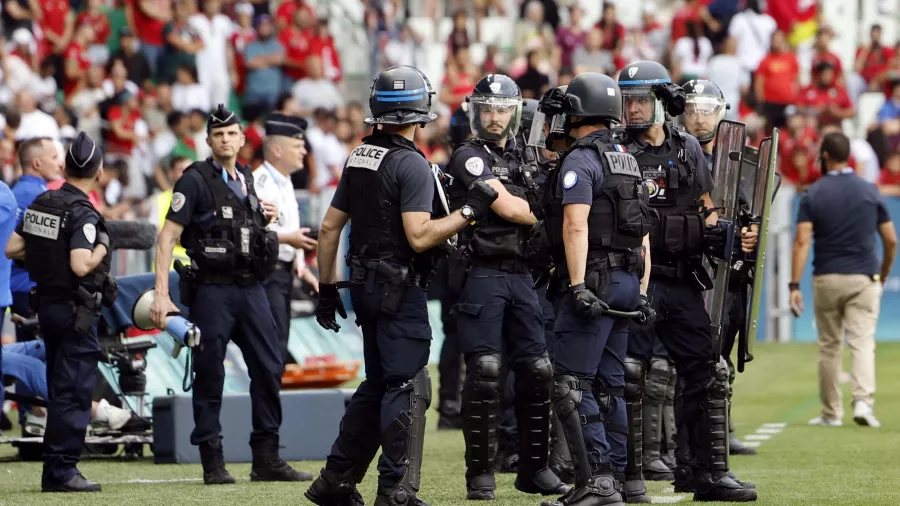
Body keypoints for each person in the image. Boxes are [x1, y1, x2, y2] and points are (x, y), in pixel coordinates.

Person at [304, 65, 499, 506]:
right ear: (420, 110)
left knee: (377, 384)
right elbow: (419, 235)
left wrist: (327, 287)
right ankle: (396, 490)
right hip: (399, 290)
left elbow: (330, 229)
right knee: (407, 386)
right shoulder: (410, 162)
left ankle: (334, 480)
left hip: (365, 288)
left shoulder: (359, 155)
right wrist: (471, 210)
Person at [616, 60, 757, 502]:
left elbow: (706, 209)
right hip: (631, 280)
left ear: (663, 101)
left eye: (642, 99)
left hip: (681, 282)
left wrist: (732, 238)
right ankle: (627, 476)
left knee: (706, 370)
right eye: (628, 100)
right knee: (631, 377)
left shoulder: (688, 149)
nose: (634, 109)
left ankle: (703, 472)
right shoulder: (612, 149)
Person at [150, 104, 309, 485]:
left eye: (231, 133)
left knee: (270, 367)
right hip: (212, 290)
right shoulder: (194, 179)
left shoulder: (247, 181)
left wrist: (261, 217)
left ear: (241, 139)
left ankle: (267, 458)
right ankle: (212, 462)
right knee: (209, 374)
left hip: (251, 287)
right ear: (208, 140)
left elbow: (245, 230)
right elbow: (167, 237)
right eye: (217, 134)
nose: (225, 139)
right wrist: (160, 295)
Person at [445, 73, 568, 501]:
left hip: (524, 275)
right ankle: (479, 474)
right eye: (488, 109)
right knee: (484, 372)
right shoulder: (468, 155)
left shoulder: (530, 157)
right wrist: (542, 217)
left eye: (502, 110)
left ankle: (534, 469)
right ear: (475, 112)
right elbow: (510, 205)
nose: (495, 118)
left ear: (514, 113)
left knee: (537, 370)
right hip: (482, 272)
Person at [536, 72, 655, 506]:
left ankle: (597, 484)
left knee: (573, 384)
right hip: (626, 281)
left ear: (577, 113)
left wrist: (577, 284)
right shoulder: (627, 158)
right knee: (611, 384)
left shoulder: (580, 161)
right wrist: (641, 289)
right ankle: (624, 480)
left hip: (596, 283)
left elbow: (575, 223)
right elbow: (644, 232)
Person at [5, 132, 115, 493]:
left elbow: (13, 247)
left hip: (47, 308)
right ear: (98, 173)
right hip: (73, 313)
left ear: (65, 167)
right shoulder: (83, 213)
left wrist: (45, 255)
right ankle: (63, 471)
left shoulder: (42, 201)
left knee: (59, 386)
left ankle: (55, 469)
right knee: (74, 392)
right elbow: (81, 265)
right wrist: (101, 245)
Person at [790, 131, 896, 428]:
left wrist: (794, 285)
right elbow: (890, 240)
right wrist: (883, 273)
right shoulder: (870, 190)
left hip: (827, 277)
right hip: (863, 276)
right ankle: (863, 402)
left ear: (825, 157)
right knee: (862, 341)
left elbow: (801, 241)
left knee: (829, 345)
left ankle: (830, 413)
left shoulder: (813, 193)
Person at [677, 79, 759, 456]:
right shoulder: (674, 154)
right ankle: (676, 442)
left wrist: (751, 233)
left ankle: (720, 429)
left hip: (728, 273)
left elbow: (751, 213)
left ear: (720, 113)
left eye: (706, 110)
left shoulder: (738, 161)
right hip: (686, 266)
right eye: (692, 110)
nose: (699, 118)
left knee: (722, 356)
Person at [252, 113, 319, 363]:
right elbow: (254, 234)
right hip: (266, 274)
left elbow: (293, 228)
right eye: (297, 146)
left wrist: (301, 268)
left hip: (283, 273)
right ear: (277, 150)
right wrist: (290, 240)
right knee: (271, 348)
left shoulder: (284, 181)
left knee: (279, 344)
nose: (303, 151)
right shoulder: (260, 183)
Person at [435, 104, 473, 431]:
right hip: (462, 262)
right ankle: (452, 404)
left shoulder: (447, 169)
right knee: (460, 336)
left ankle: (450, 403)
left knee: (455, 335)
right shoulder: (469, 165)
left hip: (453, 263)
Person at [10, 137, 61, 343]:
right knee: (37, 354)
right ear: (37, 163)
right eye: (54, 157)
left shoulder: (18, 191)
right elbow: (47, 248)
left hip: (18, 287)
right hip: (29, 288)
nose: (60, 163)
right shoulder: (38, 196)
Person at [151, 156, 193, 270]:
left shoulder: (202, 200)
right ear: (171, 173)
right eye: (181, 170)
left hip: (193, 271)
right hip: (165, 270)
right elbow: (154, 231)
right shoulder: (161, 199)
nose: (186, 174)